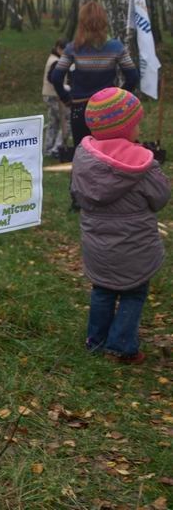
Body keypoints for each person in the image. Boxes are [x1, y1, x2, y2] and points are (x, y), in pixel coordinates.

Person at [72, 87, 171, 364]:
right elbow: (160, 198)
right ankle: (121, 346)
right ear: (126, 128)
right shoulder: (143, 165)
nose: (139, 128)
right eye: (136, 123)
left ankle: (96, 341)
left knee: (102, 290)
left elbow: (77, 193)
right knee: (134, 293)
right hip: (135, 247)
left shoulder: (84, 157)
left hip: (98, 246)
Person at [51, 1, 138, 150]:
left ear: (81, 23)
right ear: (104, 21)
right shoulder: (116, 47)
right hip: (108, 109)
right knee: (109, 152)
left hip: (80, 109)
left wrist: (66, 99)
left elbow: (56, 77)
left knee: (83, 153)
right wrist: (119, 97)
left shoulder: (72, 48)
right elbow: (133, 77)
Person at [42, 38, 70, 157]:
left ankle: (48, 148)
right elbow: (52, 78)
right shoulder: (57, 61)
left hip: (48, 94)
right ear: (59, 48)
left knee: (53, 122)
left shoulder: (52, 58)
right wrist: (65, 87)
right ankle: (57, 148)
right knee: (67, 121)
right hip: (55, 95)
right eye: (65, 51)